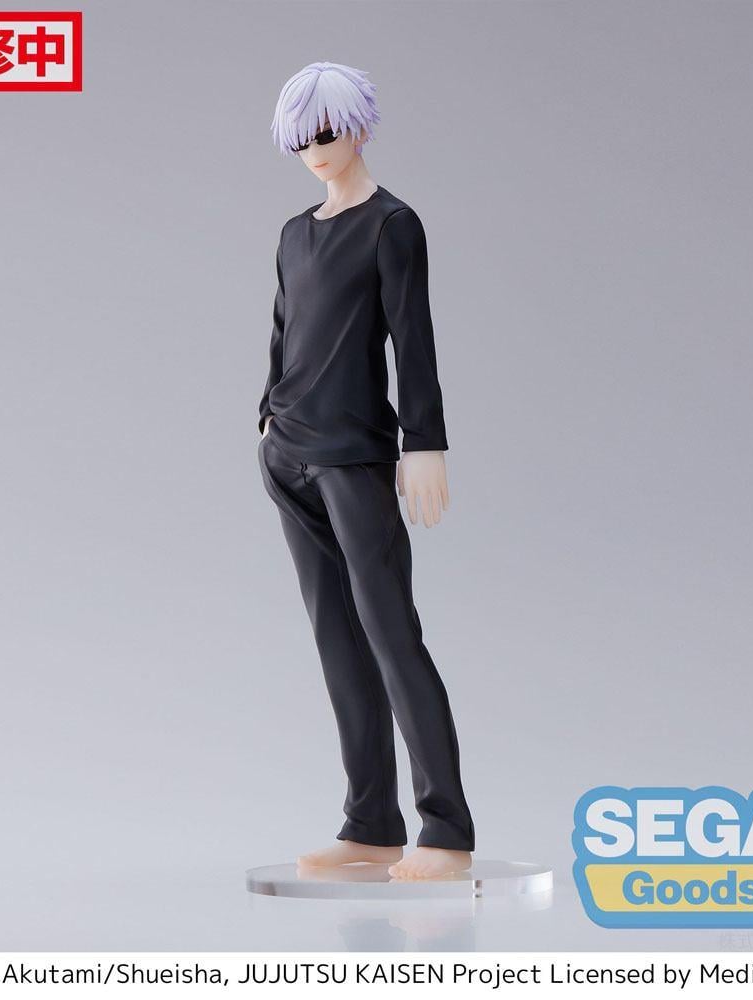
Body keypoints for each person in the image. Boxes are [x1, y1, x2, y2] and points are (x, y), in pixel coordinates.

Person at [257, 61, 475, 880]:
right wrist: (266, 418)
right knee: (336, 640)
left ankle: (445, 830)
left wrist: (425, 442)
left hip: (354, 457)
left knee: (391, 634)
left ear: (358, 125)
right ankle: (371, 822)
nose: (315, 149)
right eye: (301, 139)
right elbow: (284, 330)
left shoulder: (392, 226)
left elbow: (413, 341)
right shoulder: (294, 232)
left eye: (327, 131)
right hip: (288, 456)